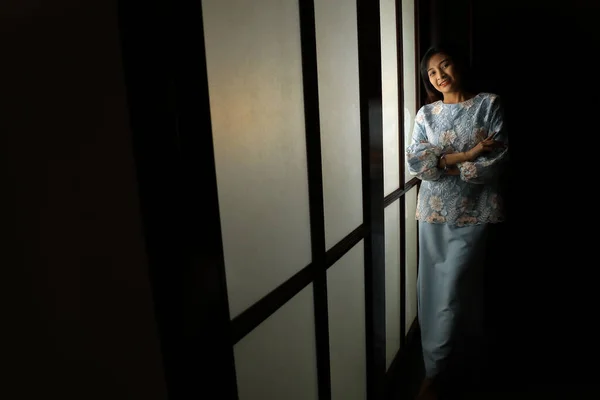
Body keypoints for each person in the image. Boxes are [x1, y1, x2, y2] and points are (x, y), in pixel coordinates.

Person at [406, 43, 509, 400]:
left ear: (458, 65)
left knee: (458, 289)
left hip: (476, 211)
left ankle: (457, 364)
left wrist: (450, 163)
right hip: (432, 212)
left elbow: (498, 159)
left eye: (444, 66)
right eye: (432, 73)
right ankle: (435, 370)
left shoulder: (488, 104)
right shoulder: (426, 114)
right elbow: (418, 164)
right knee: (433, 290)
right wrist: (469, 153)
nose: (440, 76)